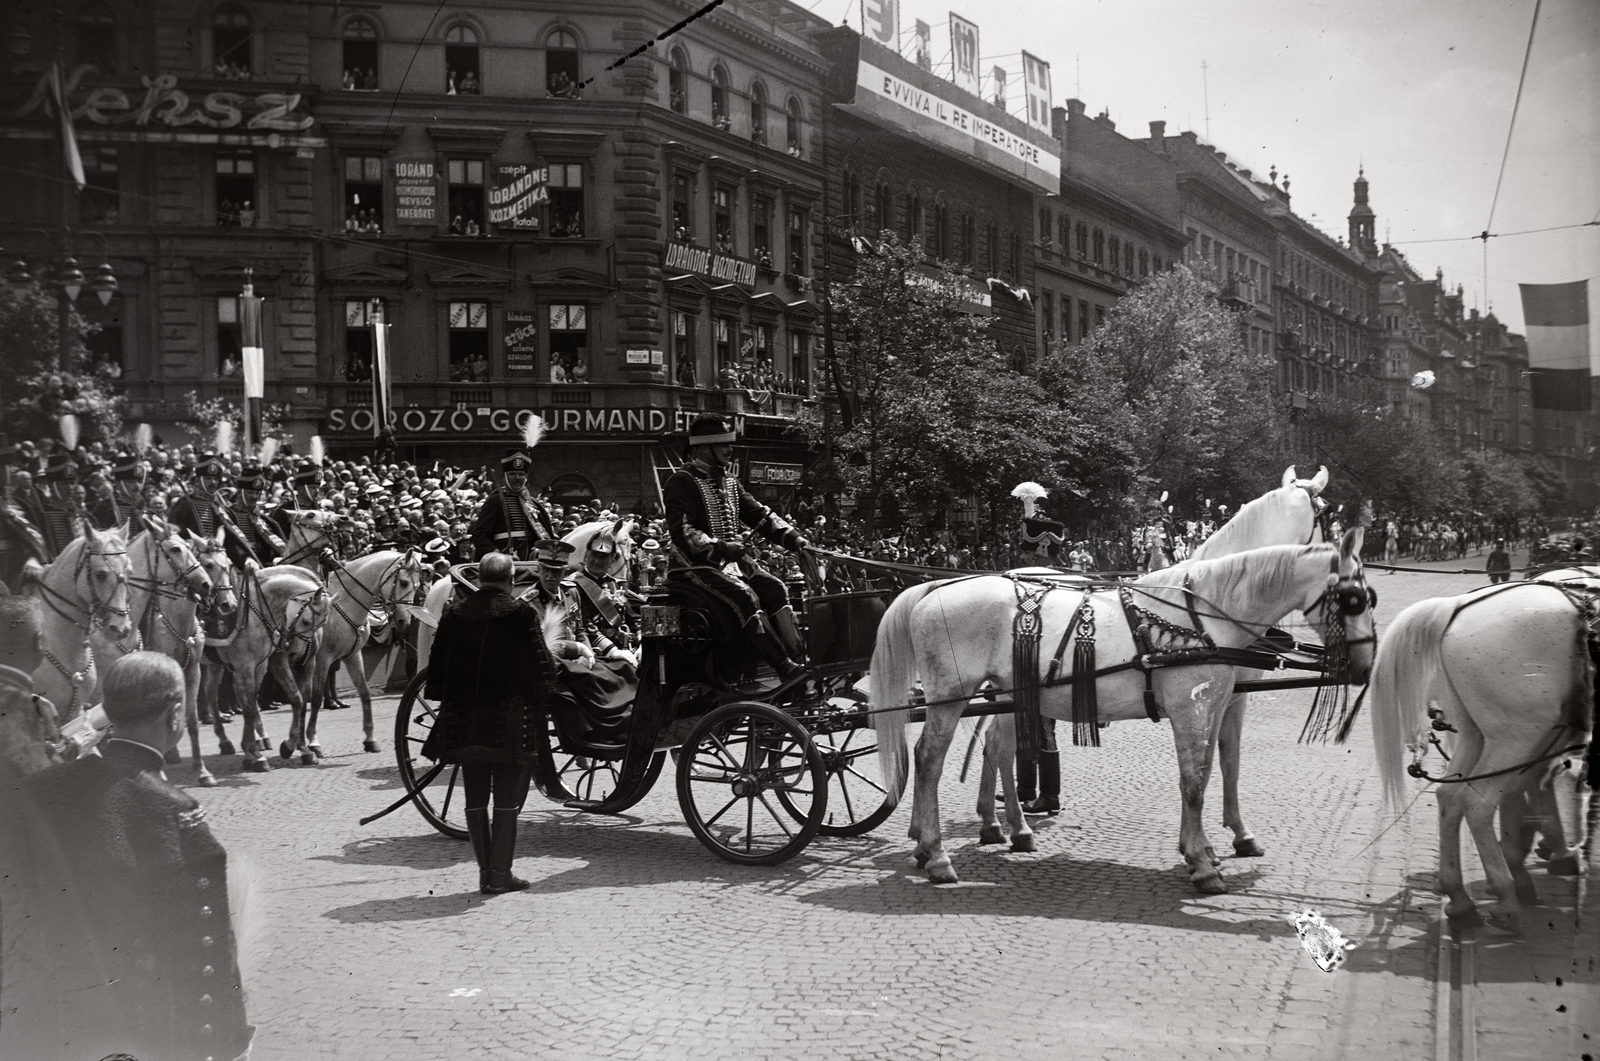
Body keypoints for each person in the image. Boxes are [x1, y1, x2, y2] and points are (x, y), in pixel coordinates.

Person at [7, 652, 253, 1061]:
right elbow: (205, 953)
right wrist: (231, 1042)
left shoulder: (37, 791)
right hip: (150, 1032)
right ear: (175, 714)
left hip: (48, 1023)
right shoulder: (175, 812)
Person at [420, 552, 560, 894]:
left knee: (476, 798)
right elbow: (540, 670)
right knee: (508, 801)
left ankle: (485, 873)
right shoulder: (521, 613)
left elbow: (436, 673)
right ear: (511, 579)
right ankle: (500, 874)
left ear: (480, 578)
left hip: (466, 720)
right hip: (508, 721)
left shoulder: (455, 613)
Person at [662, 415, 809, 678]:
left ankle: (799, 657)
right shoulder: (682, 481)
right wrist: (721, 546)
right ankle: (783, 667)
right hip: (692, 567)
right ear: (704, 448)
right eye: (723, 445)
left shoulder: (730, 481)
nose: (730, 450)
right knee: (745, 596)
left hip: (732, 565)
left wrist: (794, 539)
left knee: (776, 587)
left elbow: (759, 515)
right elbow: (683, 532)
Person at [468, 447, 557, 561]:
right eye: (512, 474)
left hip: (531, 562)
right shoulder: (495, 500)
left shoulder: (533, 503)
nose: (517, 478)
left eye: (521, 474)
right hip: (503, 563)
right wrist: (498, 556)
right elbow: (479, 535)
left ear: (526, 477)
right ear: (505, 475)